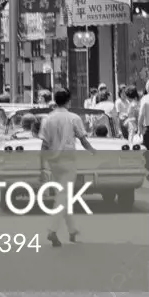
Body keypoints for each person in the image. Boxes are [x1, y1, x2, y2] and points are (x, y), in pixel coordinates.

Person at [38, 88, 96, 247]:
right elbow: (83, 140)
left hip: (53, 161)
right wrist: (94, 152)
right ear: (69, 101)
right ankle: (52, 230)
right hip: (68, 160)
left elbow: (44, 145)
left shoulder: (47, 119)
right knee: (64, 195)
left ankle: (72, 230)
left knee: (63, 195)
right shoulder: (73, 118)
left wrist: (41, 167)